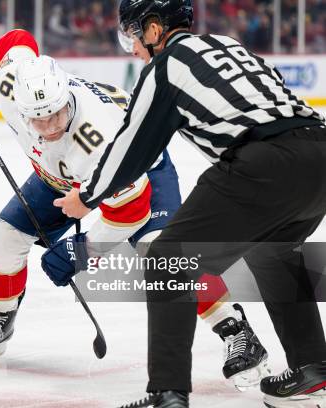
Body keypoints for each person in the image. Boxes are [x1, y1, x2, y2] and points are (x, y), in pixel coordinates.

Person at [0, 29, 267, 389]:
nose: (51, 127)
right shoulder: (13, 84)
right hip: (60, 176)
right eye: (39, 120)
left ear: (66, 97)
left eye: (57, 114)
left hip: (137, 170)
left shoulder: (97, 136)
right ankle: (0, 319)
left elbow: (131, 210)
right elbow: (14, 40)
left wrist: (81, 251)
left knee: (161, 253)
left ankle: (235, 328)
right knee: (1, 239)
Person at [54, 0, 326, 407]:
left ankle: (167, 394)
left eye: (132, 36)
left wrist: (88, 196)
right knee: (275, 253)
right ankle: (314, 368)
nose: (133, 48)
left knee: (168, 257)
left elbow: (134, 147)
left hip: (263, 162)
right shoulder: (227, 43)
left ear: (153, 28)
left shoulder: (164, 66)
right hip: (318, 151)